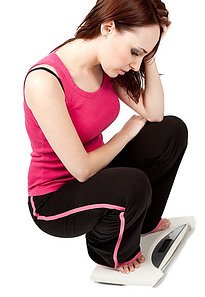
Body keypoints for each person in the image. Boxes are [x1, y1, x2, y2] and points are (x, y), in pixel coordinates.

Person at [23, 0, 188, 274]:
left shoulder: (106, 65)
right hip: (54, 199)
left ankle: (143, 223)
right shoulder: (45, 81)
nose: (135, 65)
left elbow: (155, 113)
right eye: (134, 53)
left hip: (98, 174)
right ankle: (112, 255)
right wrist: (124, 134)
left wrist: (149, 53)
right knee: (130, 183)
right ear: (108, 27)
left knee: (170, 131)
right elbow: (82, 169)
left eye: (142, 56)